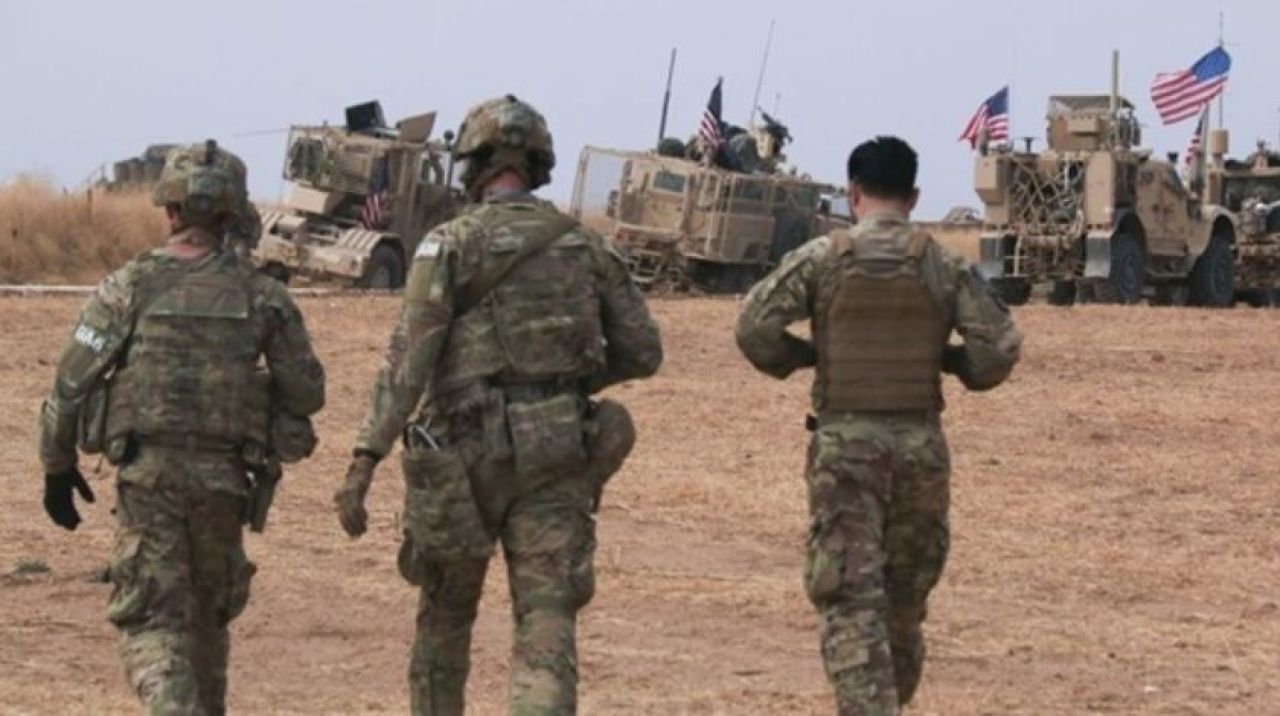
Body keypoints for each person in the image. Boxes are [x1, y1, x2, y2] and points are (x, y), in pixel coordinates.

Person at [334, 95, 663, 715]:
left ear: (473, 164)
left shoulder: (449, 245)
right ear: (538, 165)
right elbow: (644, 351)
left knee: (445, 618)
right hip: (558, 452)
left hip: (463, 458)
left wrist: (364, 459)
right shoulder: (584, 246)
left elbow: (410, 363)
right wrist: (569, 381)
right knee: (546, 621)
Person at [735, 136, 1022, 715]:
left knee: (849, 599)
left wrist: (806, 357)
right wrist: (950, 363)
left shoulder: (823, 258)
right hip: (920, 449)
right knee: (903, 603)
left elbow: (753, 329)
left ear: (854, 193)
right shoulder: (943, 264)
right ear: (913, 196)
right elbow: (997, 351)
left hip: (845, 449)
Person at [38, 140, 326, 714]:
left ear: (170, 210)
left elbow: (70, 385)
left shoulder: (128, 286)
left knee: (151, 621)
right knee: (207, 619)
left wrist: (57, 466)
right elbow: (307, 392)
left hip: (149, 483)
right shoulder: (263, 296)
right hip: (225, 485)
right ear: (232, 212)